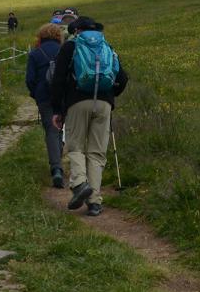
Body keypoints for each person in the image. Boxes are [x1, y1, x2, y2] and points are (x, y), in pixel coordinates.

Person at [50, 16, 128, 216]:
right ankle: (94, 202)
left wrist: (57, 109)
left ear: (77, 30)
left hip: (77, 102)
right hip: (104, 104)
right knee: (97, 153)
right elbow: (123, 77)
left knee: (75, 146)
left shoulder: (70, 47)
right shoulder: (107, 46)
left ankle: (79, 184)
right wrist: (110, 98)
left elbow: (58, 78)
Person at [25, 23, 65, 187]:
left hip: (44, 96)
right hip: (63, 95)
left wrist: (36, 94)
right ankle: (59, 161)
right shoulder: (65, 50)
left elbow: (30, 80)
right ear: (58, 36)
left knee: (51, 129)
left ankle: (56, 168)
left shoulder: (35, 53)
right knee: (61, 129)